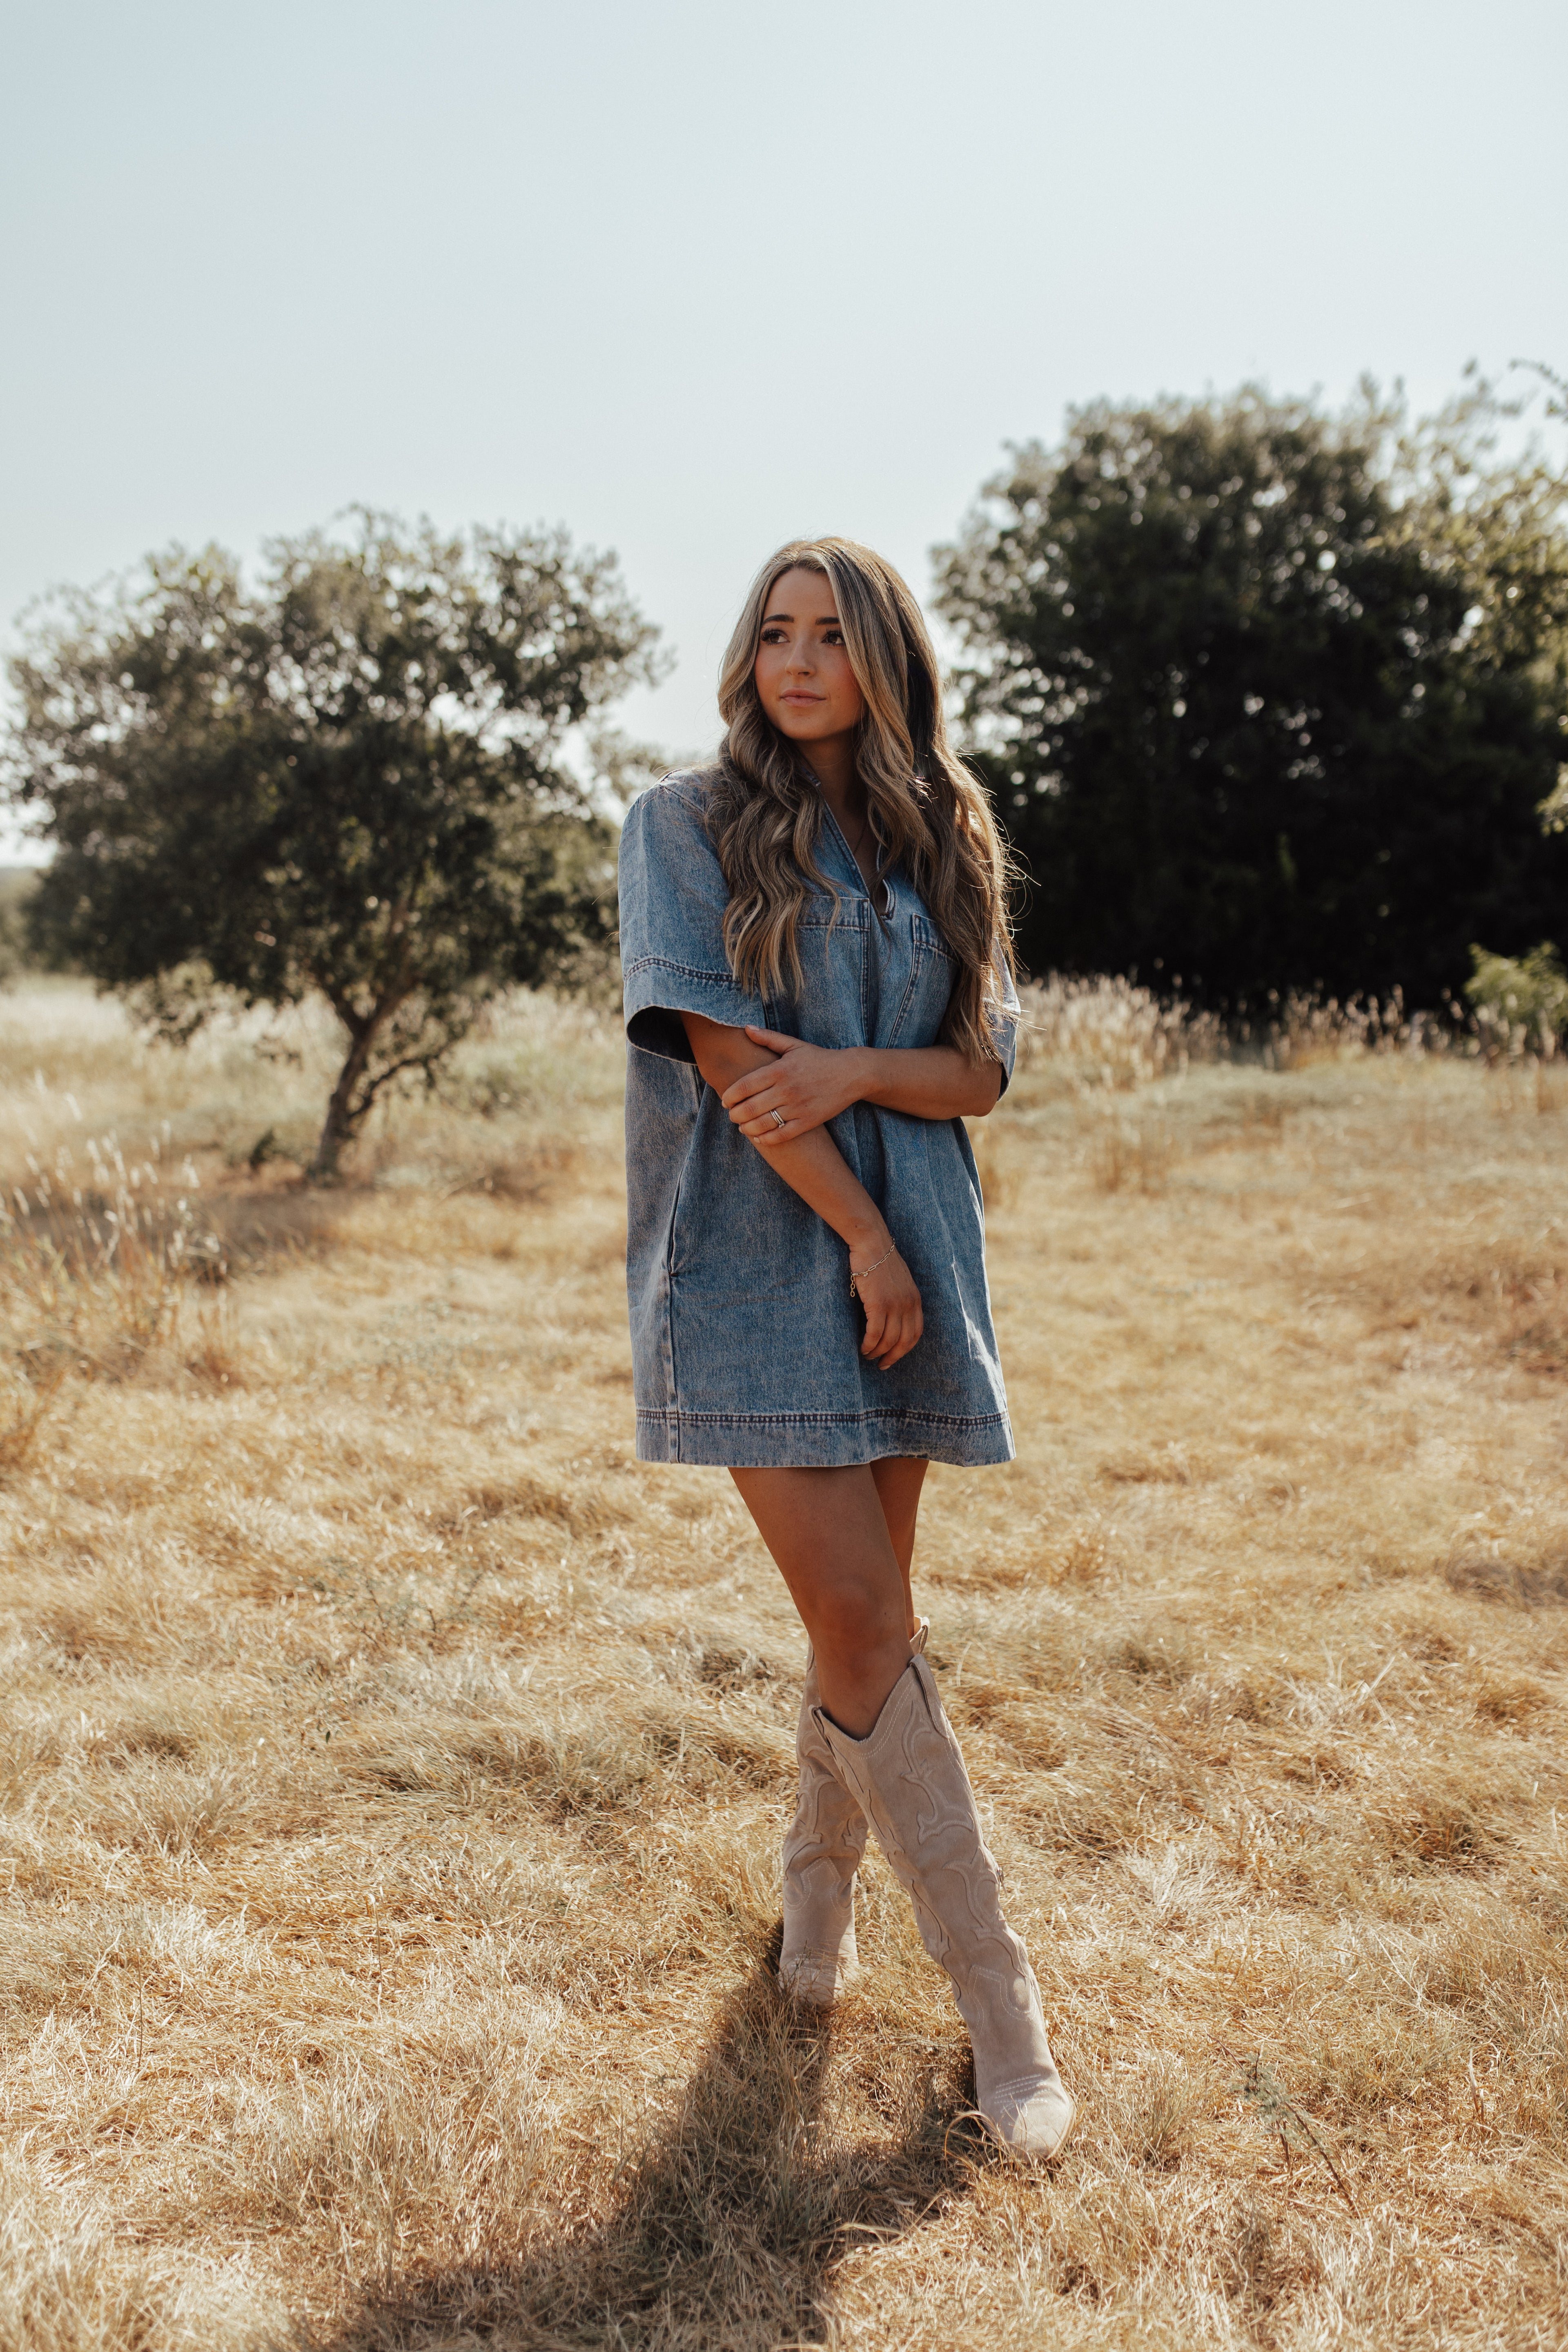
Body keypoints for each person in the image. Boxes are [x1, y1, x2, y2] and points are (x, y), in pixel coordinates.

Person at [616, 538, 1074, 2160]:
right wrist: (861, 1229)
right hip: (761, 1264)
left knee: (863, 1628)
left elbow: (978, 1076)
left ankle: (815, 1919)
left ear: (885, 657)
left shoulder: (942, 829)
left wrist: (865, 1071)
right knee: (865, 1612)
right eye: (773, 633)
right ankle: (1006, 2017)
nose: (795, 659)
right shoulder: (678, 825)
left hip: (914, 1259)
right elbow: (738, 1063)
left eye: (829, 634)